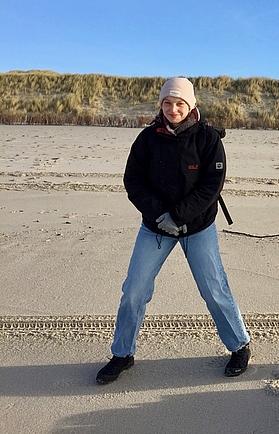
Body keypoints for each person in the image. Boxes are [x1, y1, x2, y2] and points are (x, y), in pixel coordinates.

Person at [96, 77, 251, 384]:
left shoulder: (208, 139)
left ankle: (239, 346)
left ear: (191, 105)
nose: (173, 109)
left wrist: (179, 215)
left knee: (214, 289)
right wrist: (160, 215)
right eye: (167, 103)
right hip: (155, 228)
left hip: (198, 227)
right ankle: (122, 354)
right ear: (161, 105)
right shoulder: (147, 138)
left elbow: (211, 187)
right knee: (134, 291)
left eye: (180, 103)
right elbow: (133, 181)